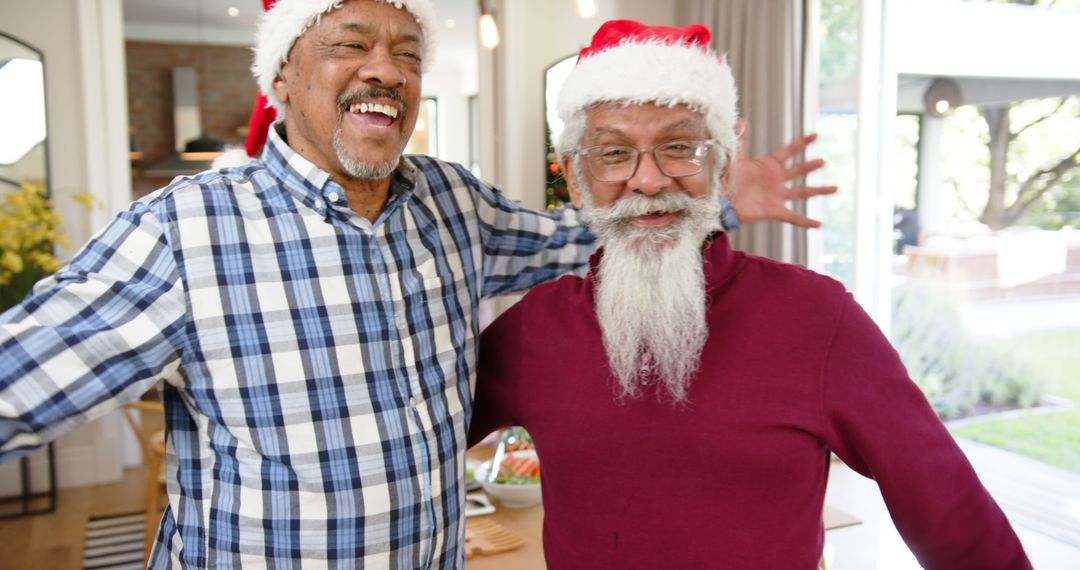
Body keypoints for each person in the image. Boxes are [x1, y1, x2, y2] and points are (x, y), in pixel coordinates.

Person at [0, 1, 831, 568]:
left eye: (405, 51)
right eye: (349, 43)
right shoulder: (183, 233)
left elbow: (579, 237)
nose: (384, 69)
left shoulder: (449, 202)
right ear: (281, 77)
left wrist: (715, 199)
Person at [468, 19, 1031, 570]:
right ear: (574, 175)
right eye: (613, 153)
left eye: (680, 147)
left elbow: (949, 509)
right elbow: (415, 441)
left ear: (724, 163)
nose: (648, 180)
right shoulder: (533, 329)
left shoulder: (817, 317)